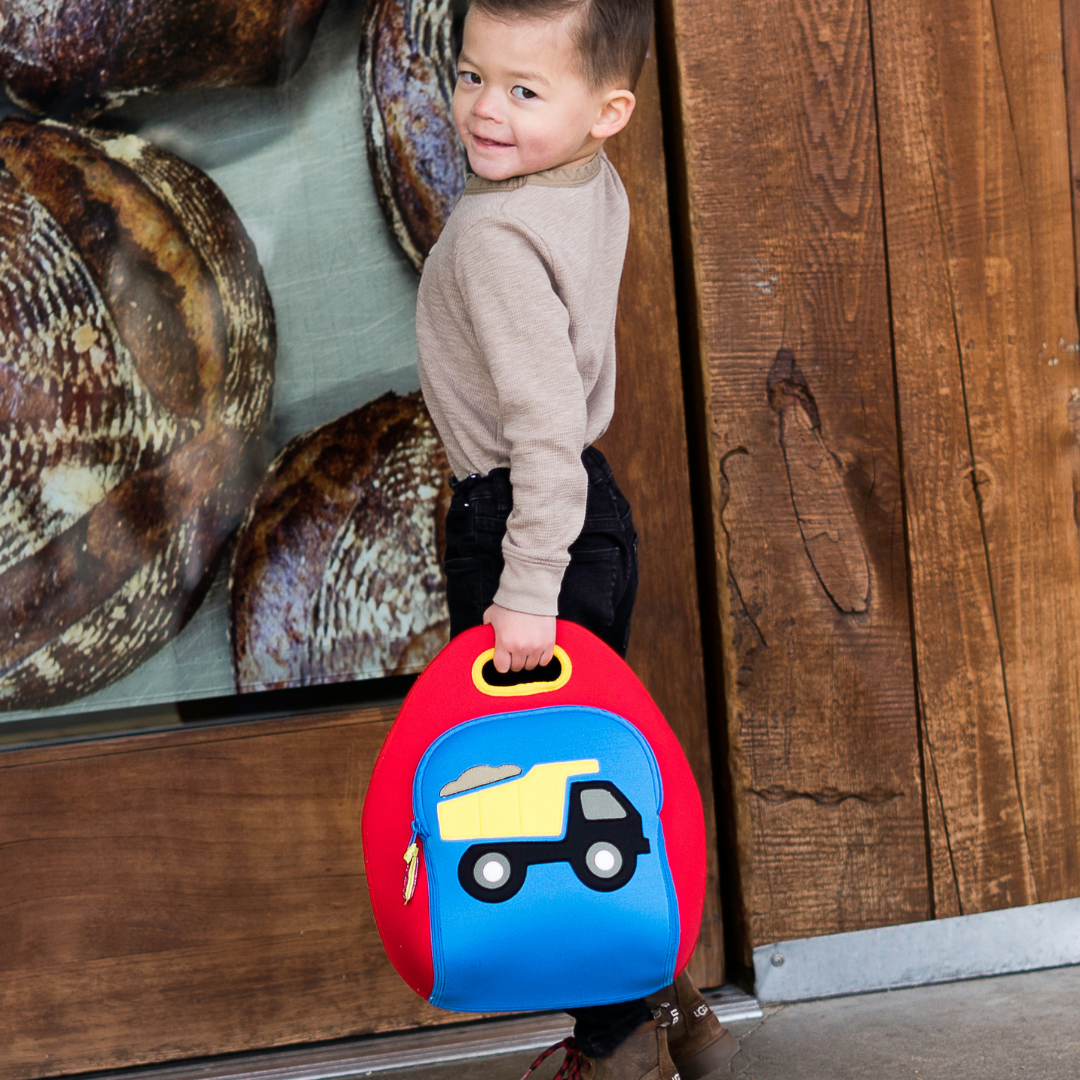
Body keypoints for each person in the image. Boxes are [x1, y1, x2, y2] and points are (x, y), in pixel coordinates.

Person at [415, 0, 737, 1076]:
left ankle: (614, 1043)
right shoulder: (585, 183)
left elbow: (544, 436)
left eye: (522, 90)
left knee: (539, 795)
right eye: (471, 75)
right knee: (582, 774)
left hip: (528, 520)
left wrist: (524, 588)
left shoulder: (493, 235)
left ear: (608, 111)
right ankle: (669, 1001)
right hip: (582, 512)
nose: (482, 109)